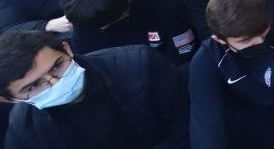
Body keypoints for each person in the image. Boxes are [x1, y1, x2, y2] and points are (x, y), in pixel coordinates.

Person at [0, 29, 190, 147]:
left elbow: (188, 124)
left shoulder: (140, 65)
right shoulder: (25, 131)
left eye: (57, 66)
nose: (55, 82)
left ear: (67, 49)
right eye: (33, 86)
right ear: (9, 99)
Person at [190, 0, 274, 149]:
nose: (259, 41)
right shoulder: (205, 61)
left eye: (262, 31)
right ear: (220, 39)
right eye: (246, 40)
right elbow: (207, 124)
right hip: (241, 133)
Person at [62, 0, 196, 63]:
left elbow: (183, 52)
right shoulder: (85, 13)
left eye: (105, 26)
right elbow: (86, 55)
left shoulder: (166, 0)